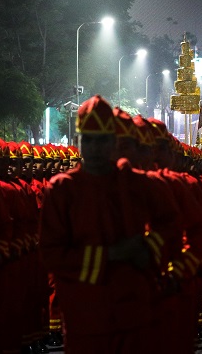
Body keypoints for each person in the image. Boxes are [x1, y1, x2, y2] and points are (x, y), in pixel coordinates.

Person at [40, 95, 157, 353]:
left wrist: (149, 252)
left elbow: (171, 225)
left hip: (133, 310)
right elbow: (51, 255)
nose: (94, 148)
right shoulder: (62, 190)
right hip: (87, 314)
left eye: (102, 140)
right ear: (78, 141)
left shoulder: (135, 183)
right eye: (87, 140)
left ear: (114, 142)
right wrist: (112, 255)